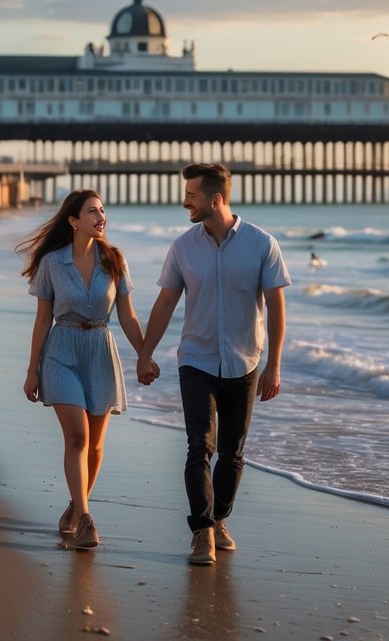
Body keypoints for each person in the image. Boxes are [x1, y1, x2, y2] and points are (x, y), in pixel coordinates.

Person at [136, 163, 290, 565]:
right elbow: (166, 302)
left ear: (216, 199)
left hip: (244, 361)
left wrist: (273, 365)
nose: (184, 201)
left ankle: (220, 518)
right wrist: (145, 352)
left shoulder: (261, 244)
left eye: (192, 195)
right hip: (196, 360)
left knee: (232, 453)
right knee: (198, 446)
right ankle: (202, 531)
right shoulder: (183, 247)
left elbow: (275, 306)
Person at [19, 189, 154, 550]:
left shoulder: (114, 260)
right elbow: (43, 318)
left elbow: (128, 315)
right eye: (92, 211)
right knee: (77, 437)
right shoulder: (52, 263)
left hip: (100, 350)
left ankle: (74, 507)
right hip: (61, 351)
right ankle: (86, 518)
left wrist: (144, 354)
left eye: (103, 210)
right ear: (74, 220)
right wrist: (32, 370)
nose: (101, 216)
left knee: (95, 445)